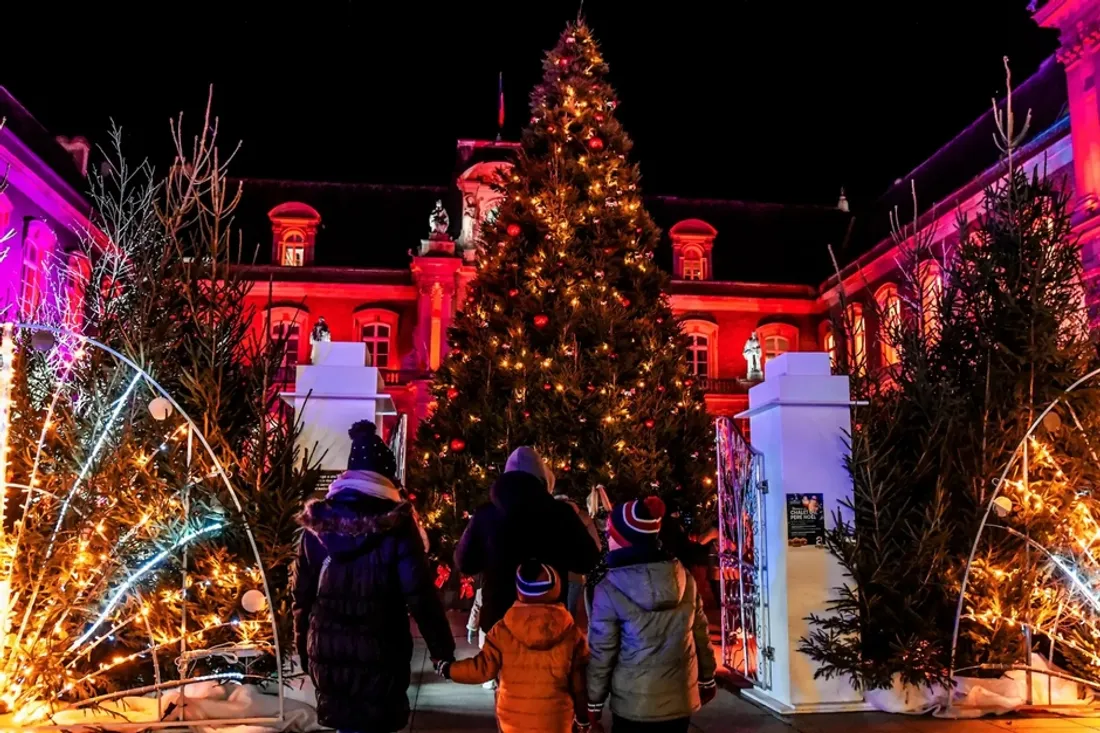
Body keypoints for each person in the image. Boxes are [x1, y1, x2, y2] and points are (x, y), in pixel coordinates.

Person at [292, 420, 455, 733]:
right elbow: (420, 595)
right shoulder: (396, 525)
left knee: (345, 723)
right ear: (385, 478)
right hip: (381, 646)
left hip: (328, 648)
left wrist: (303, 647)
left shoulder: (317, 525)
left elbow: (302, 596)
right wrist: (442, 652)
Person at [587, 497, 718, 733]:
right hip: (679, 699)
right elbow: (700, 632)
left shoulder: (608, 588)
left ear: (624, 541)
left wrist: (594, 701)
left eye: (610, 535)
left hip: (633, 704)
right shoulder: (683, 577)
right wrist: (707, 677)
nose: (607, 539)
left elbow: (602, 652)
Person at [455, 446, 601, 635]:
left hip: (499, 626)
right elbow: (587, 561)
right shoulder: (561, 514)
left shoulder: (486, 515)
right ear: (542, 479)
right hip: (549, 624)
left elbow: (465, 562)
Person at [438, 561, 590, 733]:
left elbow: (481, 669)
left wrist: (449, 669)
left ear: (519, 591)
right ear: (556, 588)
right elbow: (580, 686)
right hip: (556, 722)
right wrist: (583, 719)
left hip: (513, 722)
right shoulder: (571, 634)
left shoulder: (502, 631)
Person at [553, 477, 602, 620]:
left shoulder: (544, 514)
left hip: (549, 575)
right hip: (575, 575)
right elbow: (596, 546)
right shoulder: (583, 516)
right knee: (569, 618)